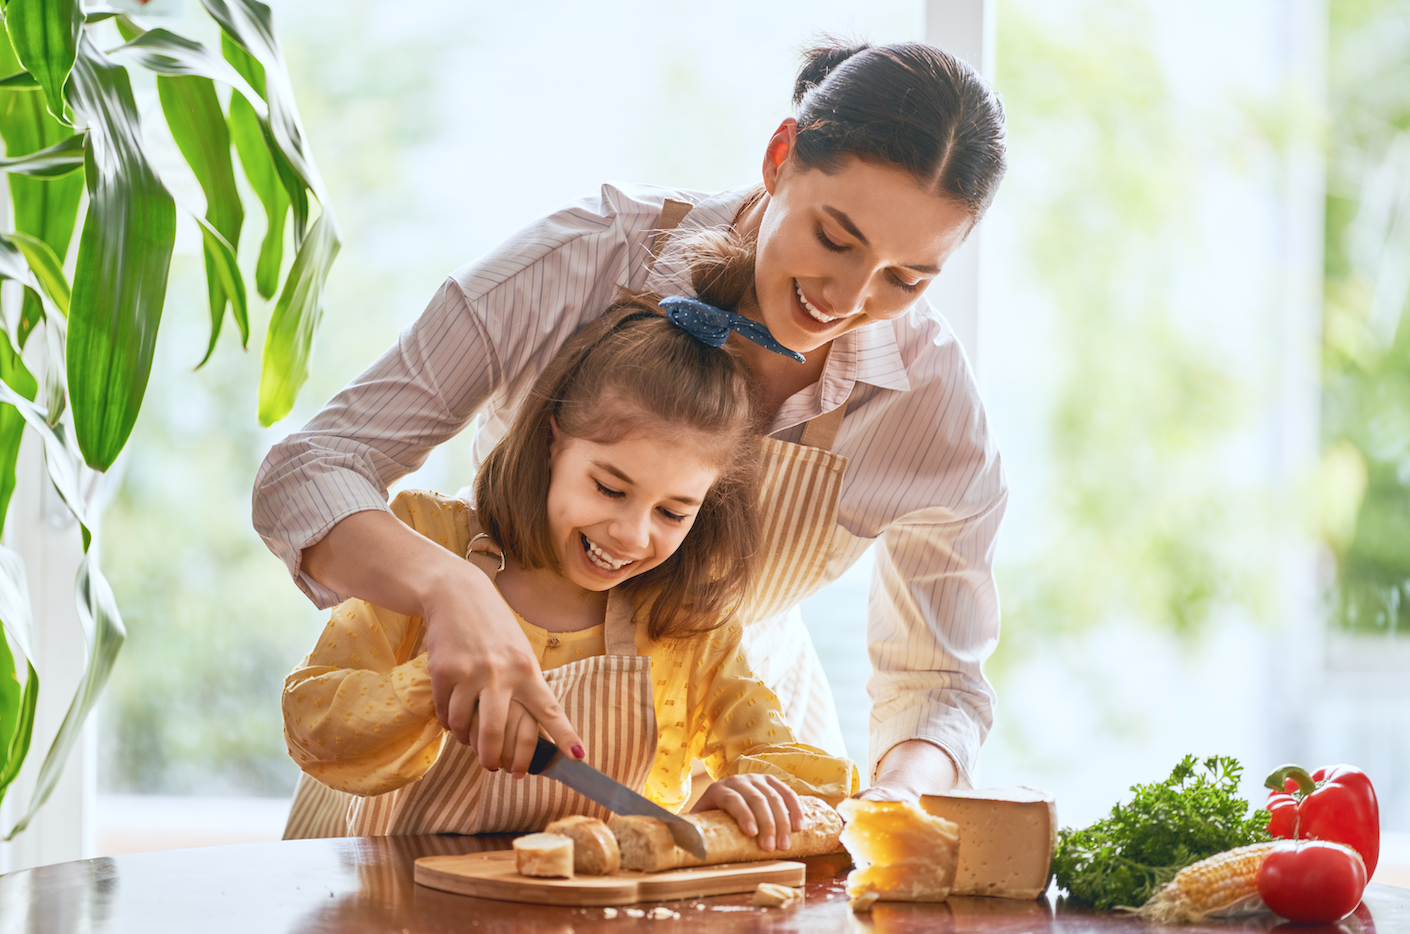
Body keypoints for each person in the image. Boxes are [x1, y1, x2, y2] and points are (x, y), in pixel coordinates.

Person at [255, 39, 1008, 816]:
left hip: (718, 779)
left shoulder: (932, 405)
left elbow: (941, 687)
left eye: (906, 278)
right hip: (420, 771)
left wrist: (886, 807)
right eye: (834, 239)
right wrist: (450, 590)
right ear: (780, 158)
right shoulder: (584, 256)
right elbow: (308, 471)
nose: (847, 297)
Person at [282, 284, 858, 838]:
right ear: (554, 441)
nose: (632, 535)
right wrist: (432, 685)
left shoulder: (687, 622)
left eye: (673, 513)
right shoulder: (429, 539)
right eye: (609, 488)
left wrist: (742, 800)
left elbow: (784, 765)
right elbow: (315, 728)